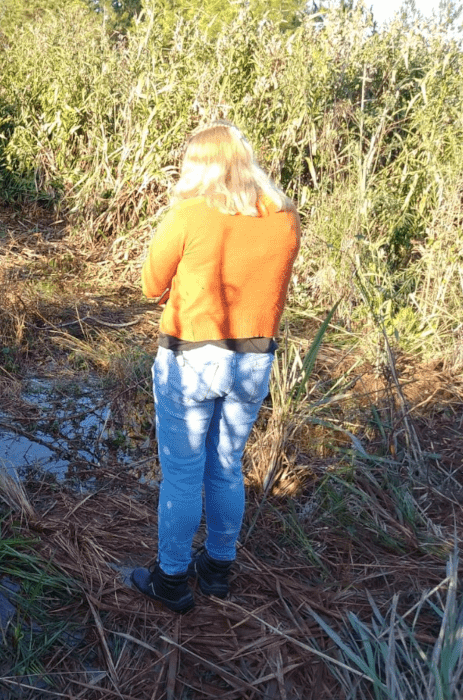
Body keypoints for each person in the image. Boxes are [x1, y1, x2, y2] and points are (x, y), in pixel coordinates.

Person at [131, 120, 301, 614]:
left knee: (183, 476)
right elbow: (276, 294)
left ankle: (170, 579)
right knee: (226, 468)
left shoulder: (190, 214)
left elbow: (149, 285)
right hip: (253, 360)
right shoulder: (284, 218)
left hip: (190, 359)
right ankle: (218, 570)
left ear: (199, 166)